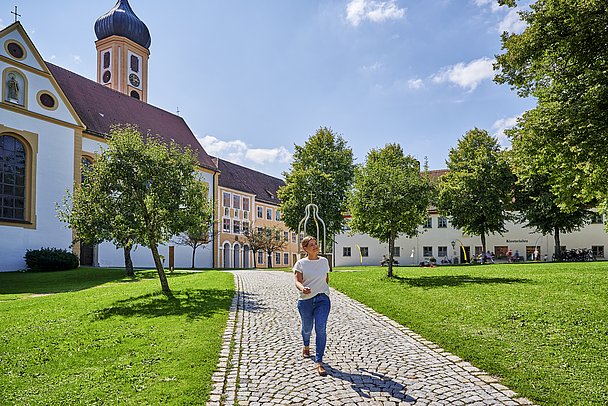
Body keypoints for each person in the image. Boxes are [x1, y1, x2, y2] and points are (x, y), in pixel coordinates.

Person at [293, 236, 331, 376]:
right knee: (307, 328)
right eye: (311, 245)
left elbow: (326, 278)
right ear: (305, 249)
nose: (315, 246)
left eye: (316, 244)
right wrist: (303, 288)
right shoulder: (301, 263)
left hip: (322, 299)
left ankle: (319, 361)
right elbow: (297, 281)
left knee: (321, 328)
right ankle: (306, 345)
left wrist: (323, 289)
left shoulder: (324, 261)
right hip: (306, 301)